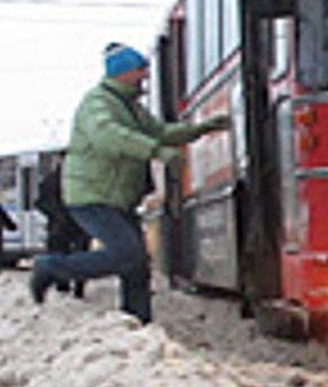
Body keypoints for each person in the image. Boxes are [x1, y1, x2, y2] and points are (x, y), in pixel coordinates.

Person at [28, 43, 230, 323]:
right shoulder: (97, 103)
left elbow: (160, 131)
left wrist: (200, 129)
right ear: (121, 73)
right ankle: (51, 267)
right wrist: (155, 151)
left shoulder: (130, 107)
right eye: (140, 70)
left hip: (118, 197)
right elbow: (109, 136)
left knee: (136, 265)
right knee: (125, 253)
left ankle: (137, 321)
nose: (145, 76)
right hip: (92, 195)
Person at [34, 156, 91, 297]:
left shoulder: (49, 180)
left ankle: (63, 286)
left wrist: (54, 215)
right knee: (81, 255)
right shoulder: (82, 180)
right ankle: (78, 288)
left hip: (59, 226)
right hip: (79, 224)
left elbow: (40, 203)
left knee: (59, 253)